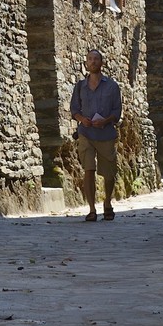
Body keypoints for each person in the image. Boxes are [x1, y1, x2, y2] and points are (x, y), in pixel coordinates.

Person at [70, 50, 122, 222]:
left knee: (109, 173)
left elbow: (117, 111)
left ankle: (107, 202)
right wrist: (81, 119)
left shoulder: (112, 87)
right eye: (90, 59)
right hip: (86, 133)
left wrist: (106, 120)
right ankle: (92, 209)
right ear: (86, 63)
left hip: (106, 134)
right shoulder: (79, 86)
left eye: (96, 59)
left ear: (102, 63)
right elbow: (74, 109)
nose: (92, 62)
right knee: (89, 169)